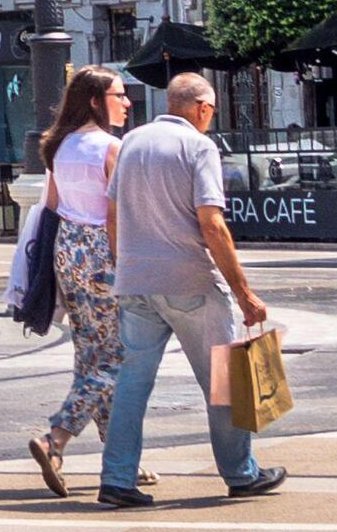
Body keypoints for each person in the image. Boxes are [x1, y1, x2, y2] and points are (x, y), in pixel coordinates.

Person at [97, 68, 281, 508]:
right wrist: (244, 294)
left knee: (131, 383)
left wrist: (126, 266)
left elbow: (112, 213)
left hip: (136, 282)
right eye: (211, 111)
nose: (210, 119)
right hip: (190, 282)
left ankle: (117, 478)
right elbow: (212, 224)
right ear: (201, 109)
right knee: (223, 381)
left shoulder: (133, 141)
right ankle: (240, 473)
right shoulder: (199, 146)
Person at [24, 63, 133, 499]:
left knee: (91, 355)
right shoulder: (111, 148)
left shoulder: (60, 147)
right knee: (117, 359)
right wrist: (124, 263)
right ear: (94, 101)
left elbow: (50, 205)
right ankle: (56, 438)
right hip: (102, 255)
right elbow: (114, 214)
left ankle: (121, 458)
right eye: (118, 96)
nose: (126, 103)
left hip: (67, 252)